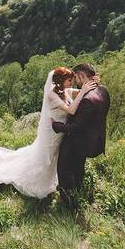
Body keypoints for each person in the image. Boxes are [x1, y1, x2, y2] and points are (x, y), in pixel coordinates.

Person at [0, 67, 97, 198]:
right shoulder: (52, 95)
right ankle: (37, 183)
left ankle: (48, 182)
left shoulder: (65, 90)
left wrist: (91, 84)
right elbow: (71, 110)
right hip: (52, 132)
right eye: (69, 80)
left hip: (59, 130)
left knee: (53, 158)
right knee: (45, 157)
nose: (71, 83)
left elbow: (79, 93)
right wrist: (83, 90)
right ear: (61, 81)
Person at [52, 63, 110, 207]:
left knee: (64, 170)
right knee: (78, 169)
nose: (75, 81)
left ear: (83, 76)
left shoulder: (87, 100)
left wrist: (56, 125)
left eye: (76, 77)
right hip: (90, 139)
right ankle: (79, 194)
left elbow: (75, 127)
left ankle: (68, 203)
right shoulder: (103, 91)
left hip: (77, 141)